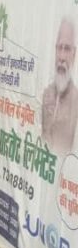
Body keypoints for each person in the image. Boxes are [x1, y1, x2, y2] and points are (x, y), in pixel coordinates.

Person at [41, 17, 77, 156]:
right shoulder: (46, 94)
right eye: (59, 48)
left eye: (67, 49)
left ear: (74, 53)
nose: (61, 57)